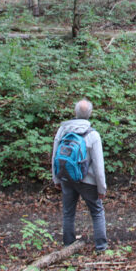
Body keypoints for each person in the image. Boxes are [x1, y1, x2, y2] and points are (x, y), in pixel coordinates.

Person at [52, 99, 108, 251]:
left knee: (68, 212)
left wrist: (56, 177)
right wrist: (101, 188)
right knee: (97, 212)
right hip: (88, 182)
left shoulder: (62, 130)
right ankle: (101, 248)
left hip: (66, 178)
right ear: (90, 114)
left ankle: (68, 246)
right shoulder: (93, 135)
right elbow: (98, 164)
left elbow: (55, 155)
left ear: (75, 113)